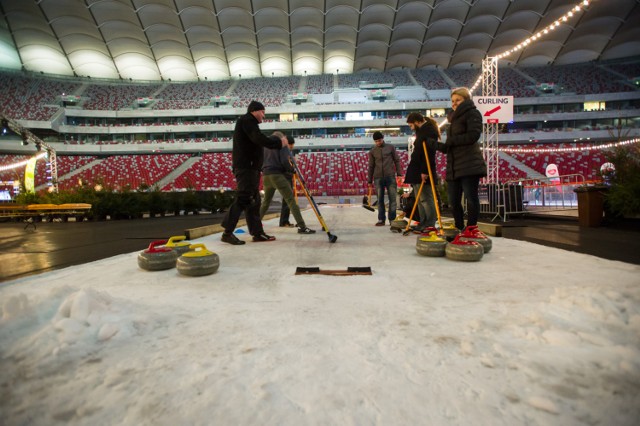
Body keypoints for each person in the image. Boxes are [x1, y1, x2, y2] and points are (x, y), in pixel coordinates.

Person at [220, 100, 288, 245]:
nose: (264, 115)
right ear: (255, 111)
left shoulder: (249, 123)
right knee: (244, 198)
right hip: (247, 168)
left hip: (251, 168)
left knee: (254, 201)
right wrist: (278, 143)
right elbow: (258, 138)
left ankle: (257, 233)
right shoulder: (247, 121)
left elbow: (256, 139)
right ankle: (227, 232)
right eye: (262, 112)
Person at [428, 87, 486, 231]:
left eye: (457, 100)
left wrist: (452, 141)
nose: (454, 103)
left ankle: (471, 227)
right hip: (454, 166)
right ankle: (459, 227)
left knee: (471, 199)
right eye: (453, 101)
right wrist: (434, 145)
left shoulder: (473, 113)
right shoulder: (453, 120)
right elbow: (450, 146)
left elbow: (473, 135)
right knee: (453, 201)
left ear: (466, 100)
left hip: (469, 164)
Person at [259, 133, 315, 234]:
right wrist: (291, 170)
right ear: (283, 138)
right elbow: (285, 161)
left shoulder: (265, 146)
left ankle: (255, 225)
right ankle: (302, 226)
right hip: (277, 175)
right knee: (291, 201)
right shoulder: (282, 144)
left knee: (266, 202)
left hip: (266, 176)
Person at [404, 112, 439, 232]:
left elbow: (428, 153)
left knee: (425, 198)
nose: (411, 128)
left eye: (411, 125)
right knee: (420, 199)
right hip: (416, 169)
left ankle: (430, 223)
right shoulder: (421, 131)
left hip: (423, 169)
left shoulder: (428, 131)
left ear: (417, 122)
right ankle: (423, 222)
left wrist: (424, 171)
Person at [367, 131, 403, 226]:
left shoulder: (390, 147)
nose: (378, 142)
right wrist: (369, 180)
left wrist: (399, 174)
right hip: (378, 178)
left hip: (390, 177)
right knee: (380, 200)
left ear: (383, 138)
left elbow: (397, 160)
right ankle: (381, 220)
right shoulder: (372, 151)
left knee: (393, 199)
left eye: (379, 140)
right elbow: (371, 166)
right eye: (376, 141)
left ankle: (392, 220)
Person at [279, 136, 296, 227]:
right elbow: (285, 163)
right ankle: (284, 221)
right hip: (285, 176)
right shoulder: (284, 150)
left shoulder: (287, 151)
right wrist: (292, 169)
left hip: (286, 176)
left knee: (287, 200)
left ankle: (284, 221)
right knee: (287, 199)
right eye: (291, 145)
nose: (292, 147)